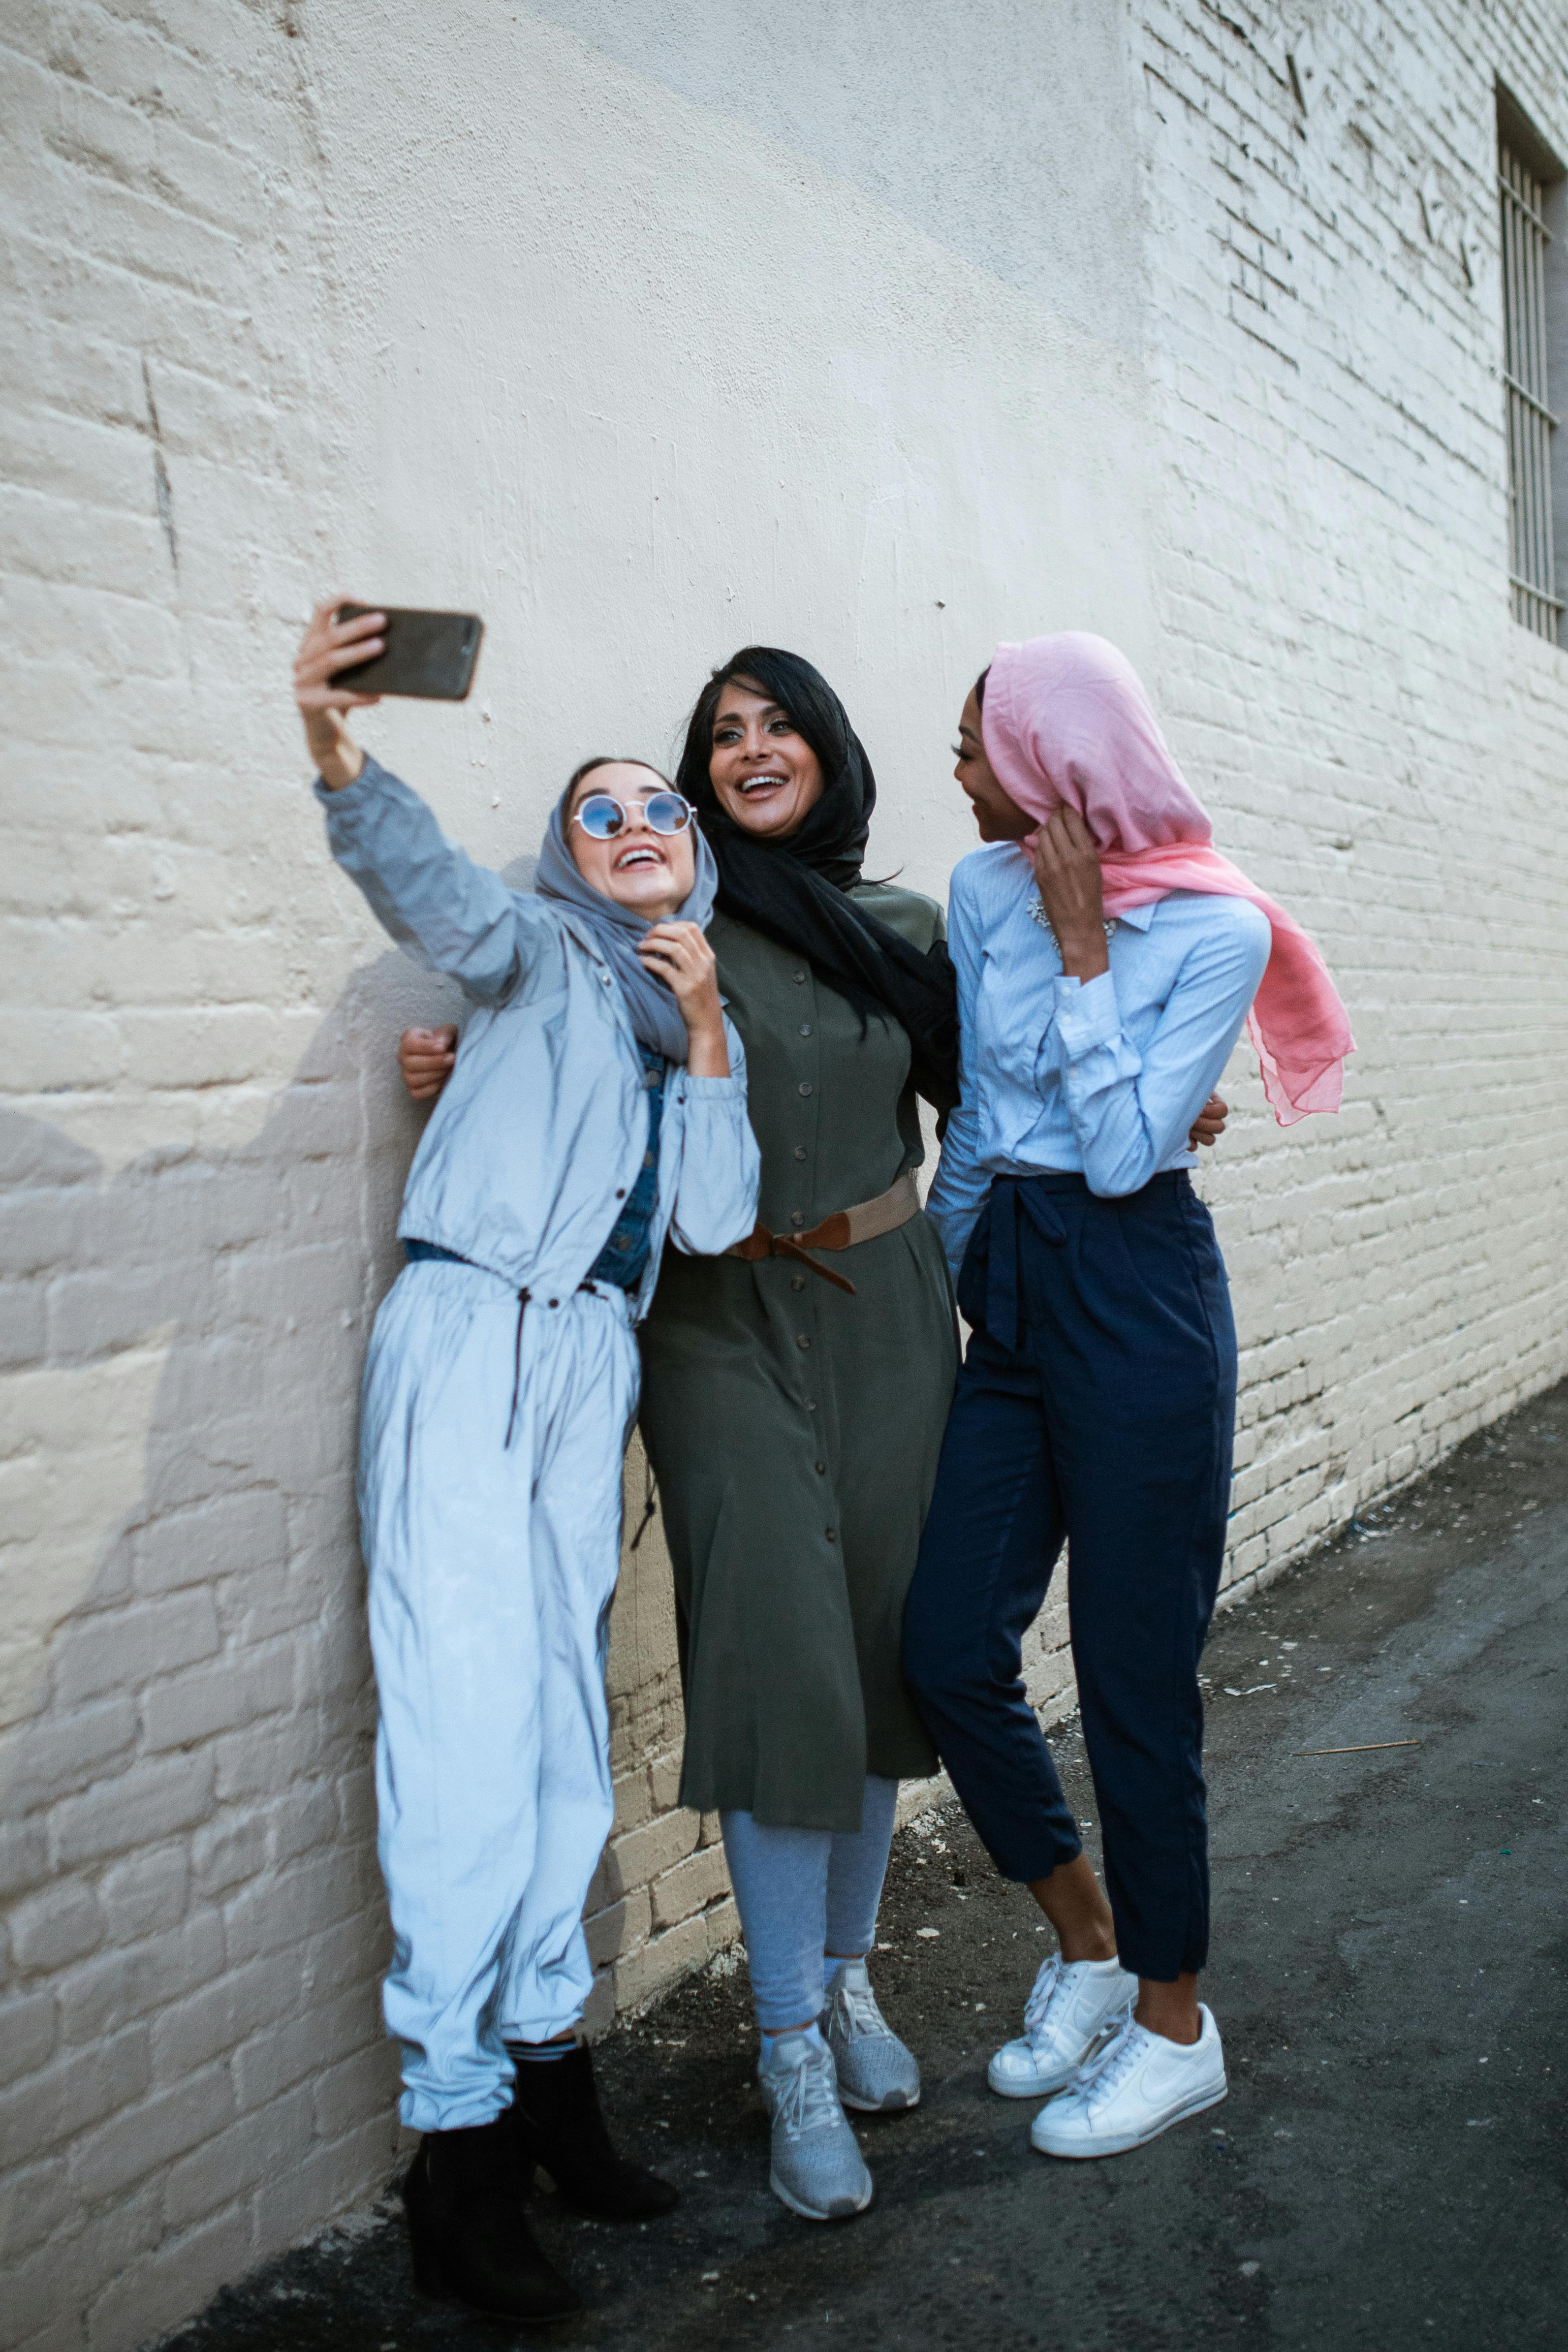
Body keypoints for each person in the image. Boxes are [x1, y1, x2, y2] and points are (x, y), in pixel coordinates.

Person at [397, 644, 1231, 2223]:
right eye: (722, 732)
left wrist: (1178, 1093)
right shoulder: (655, 929)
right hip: (715, 1328)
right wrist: (452, 1069)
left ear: (829, 750)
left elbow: (1020, 1084)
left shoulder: (913, 931)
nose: (749, 749)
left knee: (877, 1659)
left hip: (891, 1307)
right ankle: (785, 2044)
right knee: (781, 1666)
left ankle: (844, 1987)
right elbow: (549, 1038)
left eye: (778, 724)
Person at [293, 598, 760, 2321]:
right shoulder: (531, 956)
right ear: (566, 861)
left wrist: (707, 1031)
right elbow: (433, 898)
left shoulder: (679, 1013)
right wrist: (344, 750)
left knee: (561, 1722)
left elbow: (712, 1216)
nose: (637, 828)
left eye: (664, 813)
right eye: (600, 813)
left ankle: (551, 2071)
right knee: (463, 1725)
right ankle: (457, 2145)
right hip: (470, 1334)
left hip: (584, 1362)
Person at [904, 631, 1353, 2161]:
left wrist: (1089, 952)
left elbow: (1115, 1154)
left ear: (1048, 760)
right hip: (1016, 1283)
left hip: (1140, 1288)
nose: (957, 769)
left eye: (975, 743)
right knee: (951, 1642)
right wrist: (963, 1269)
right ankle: (1085, 1942)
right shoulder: (975, 893)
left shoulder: (1217, 929)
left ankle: (1176, 2022)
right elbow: (980, 1109)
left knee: (1131, 1679)